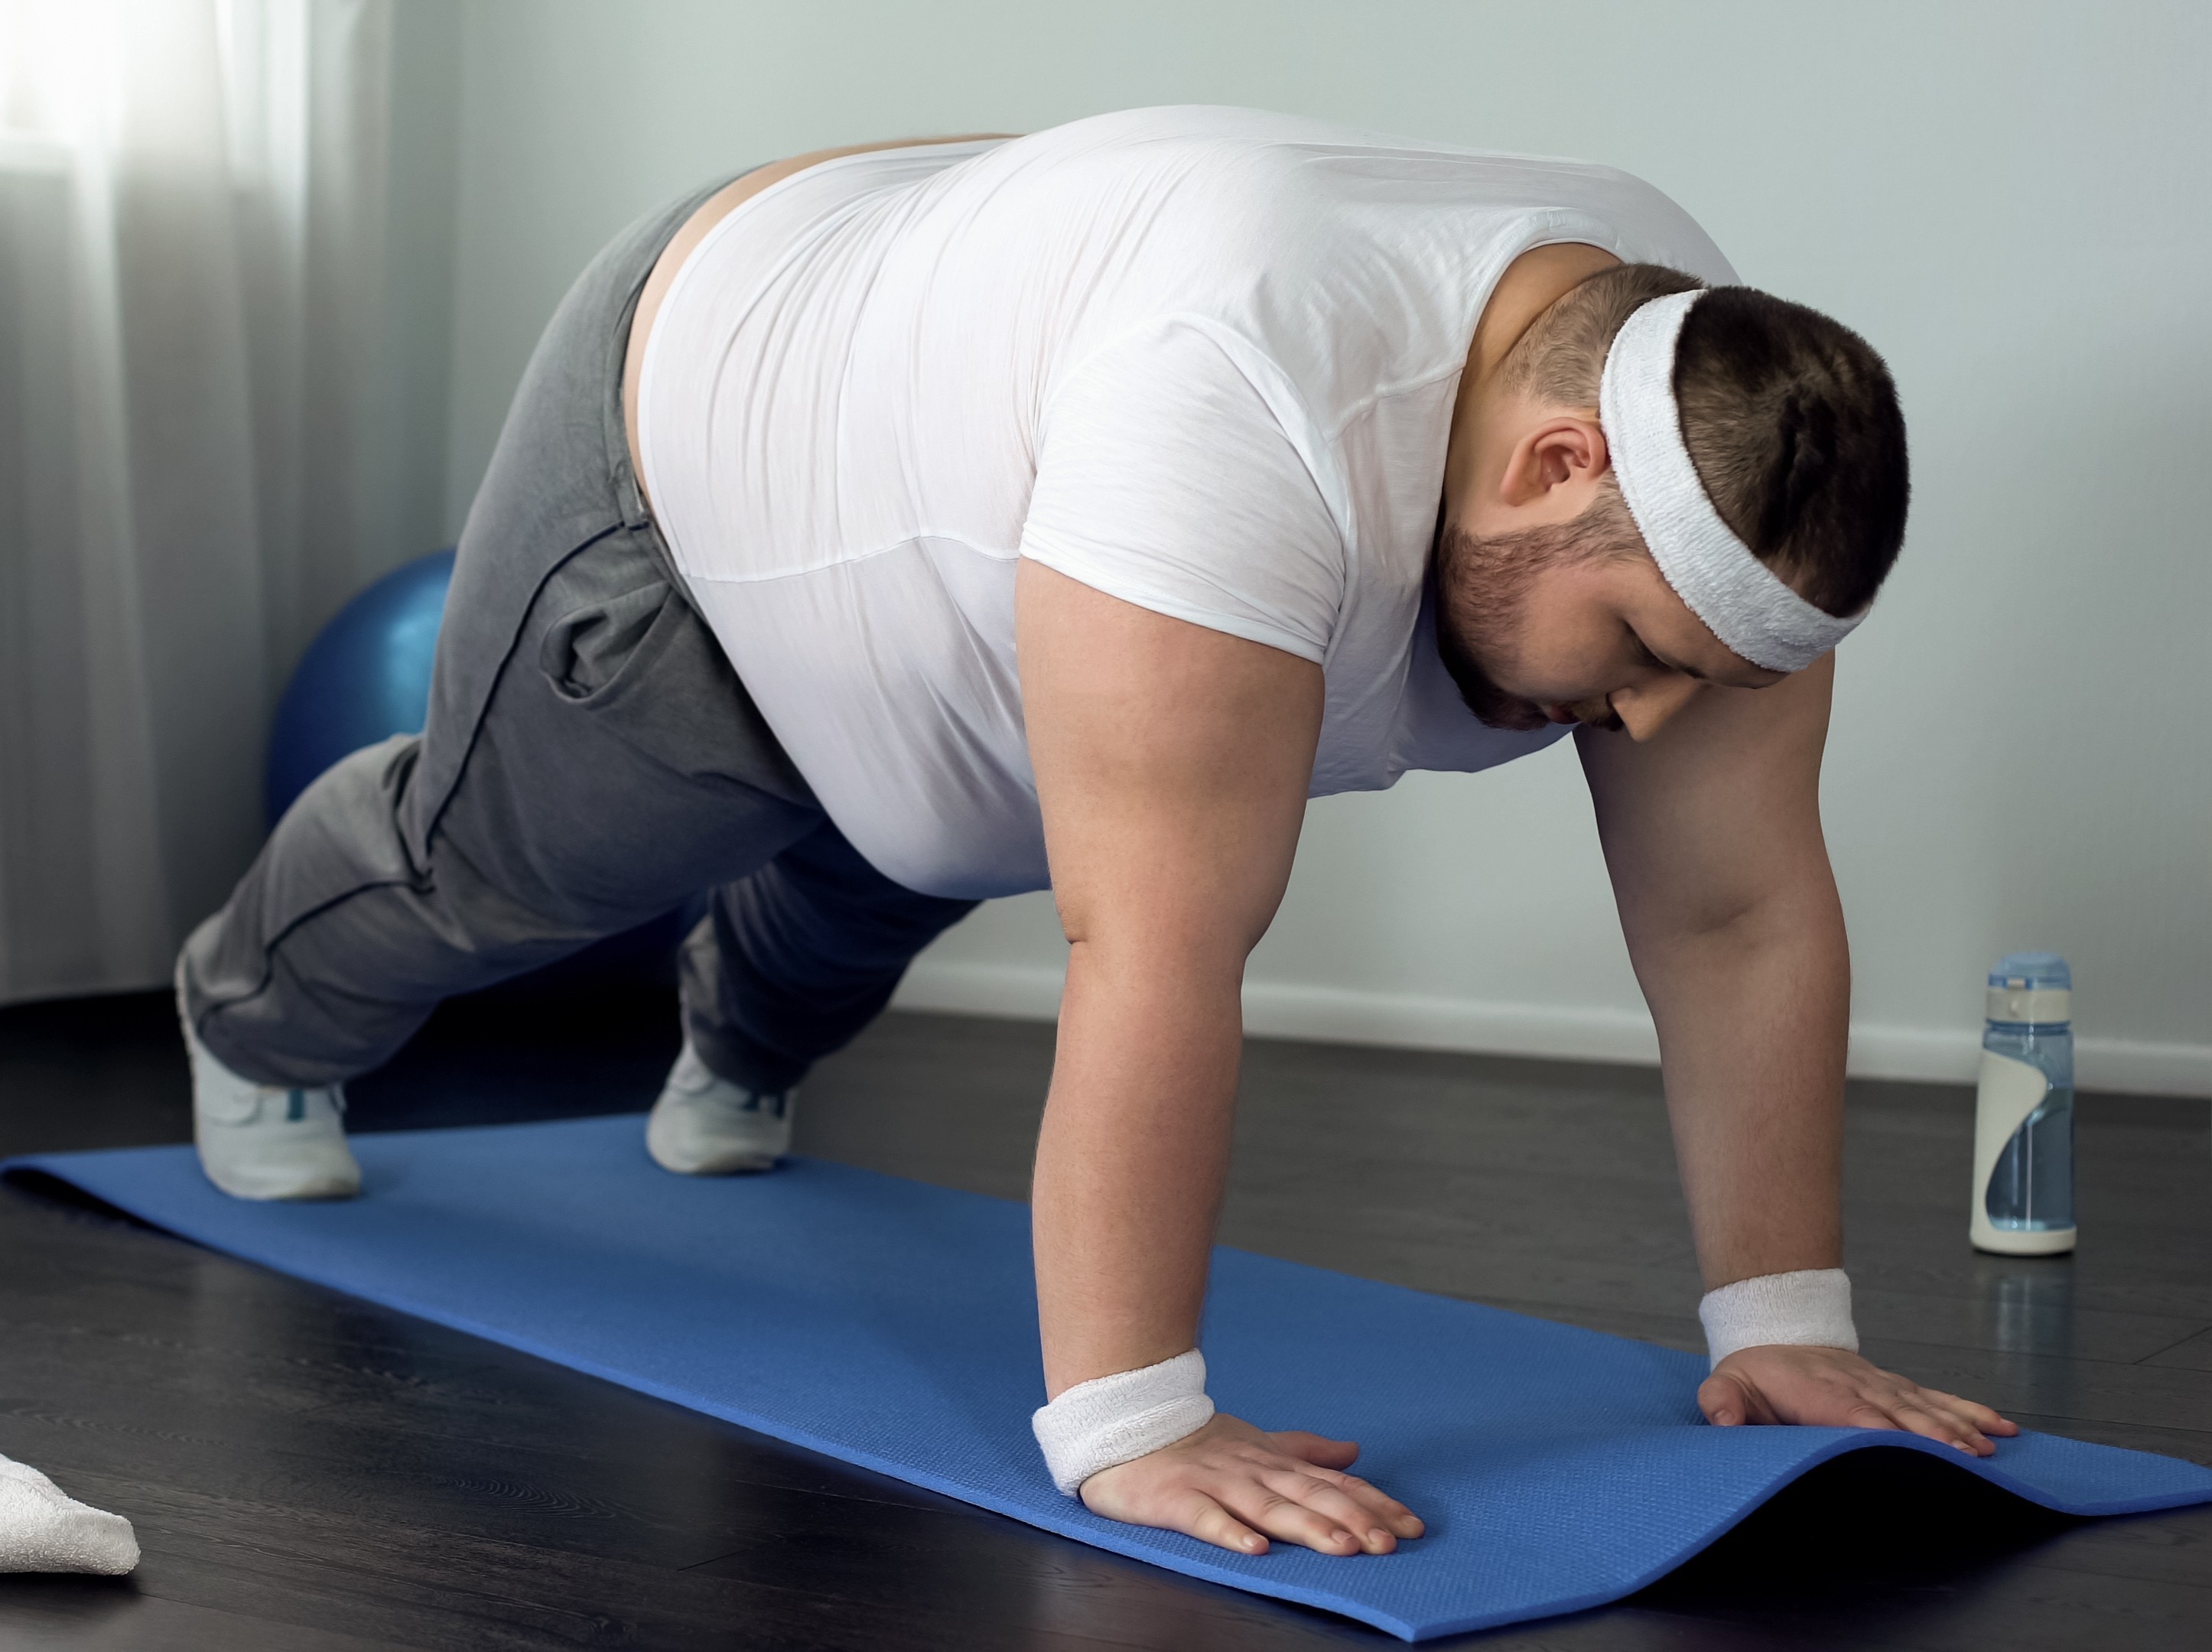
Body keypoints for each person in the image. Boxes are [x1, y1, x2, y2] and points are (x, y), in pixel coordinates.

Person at [175, 106, 2016, 1559]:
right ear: (1554, 465)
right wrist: (1133, 1418)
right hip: (725, 437)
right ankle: (241, 1015)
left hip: (991, 477)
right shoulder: (1242, 398)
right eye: (1632, 656)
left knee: (906, 856)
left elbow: (1735, 911)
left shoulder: (1713, 428)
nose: (1644, 723)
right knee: (494, 873)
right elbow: (1160, 957)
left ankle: (733, 1040)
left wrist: (1780, 1316)